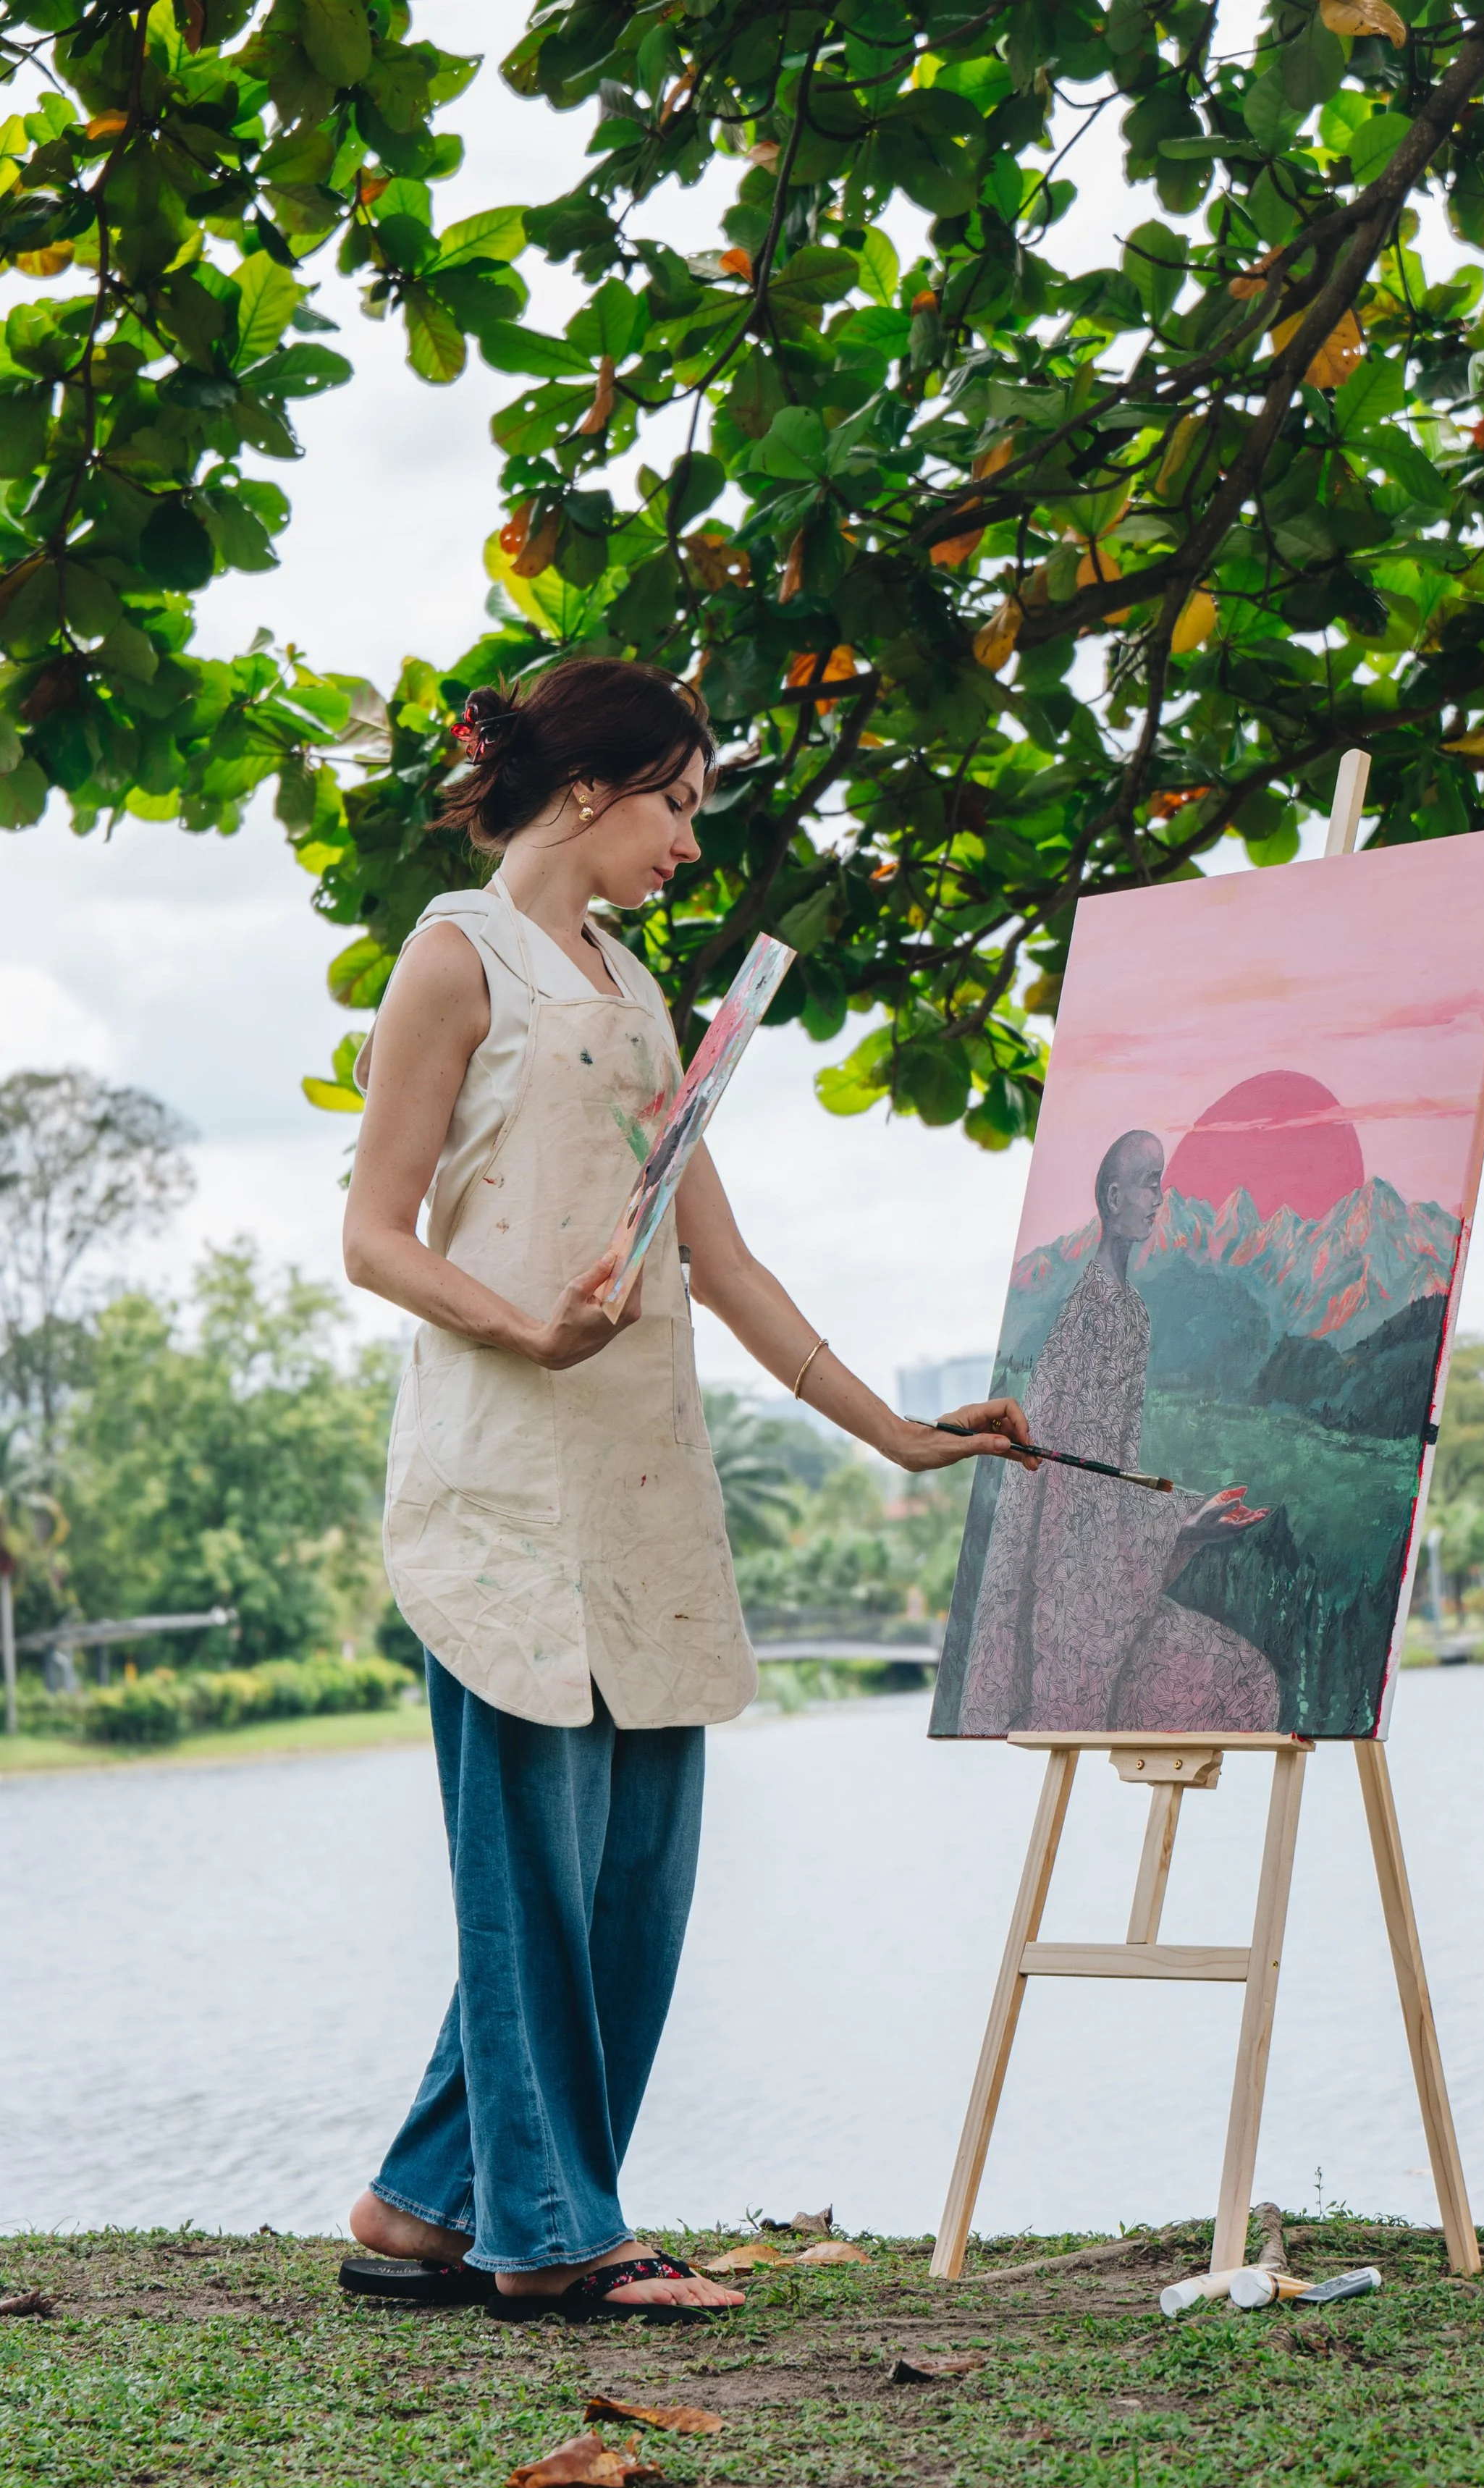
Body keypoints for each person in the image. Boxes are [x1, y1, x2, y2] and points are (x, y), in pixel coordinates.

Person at [337, 659, 1032, 2322]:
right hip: (504, 1483)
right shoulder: (455, 958)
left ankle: (424, 2200)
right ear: (587, 790)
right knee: (532, 1881)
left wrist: (896, 1429)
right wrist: (535, 1328)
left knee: (631, 1885)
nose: (686, 841)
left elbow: (716, 1255)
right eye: (677, 802)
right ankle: (556, 2233)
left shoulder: (643, 993)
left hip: (640, 1477)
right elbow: (371, 1233)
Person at [956, 1128, 1281, 1734]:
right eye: (1149, 1182)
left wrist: (1184, 1523)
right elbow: (1076, 1496)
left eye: (1161, 1182)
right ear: (1112, 1197)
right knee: (1244, 1680)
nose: (1160, 1198)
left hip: (1102, 1584)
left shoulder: (1126, 1309)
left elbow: (1105, 1483)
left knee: (1244, 1678)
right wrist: (1183, 1526)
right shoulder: (1102, 1316)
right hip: (1079, 1608)